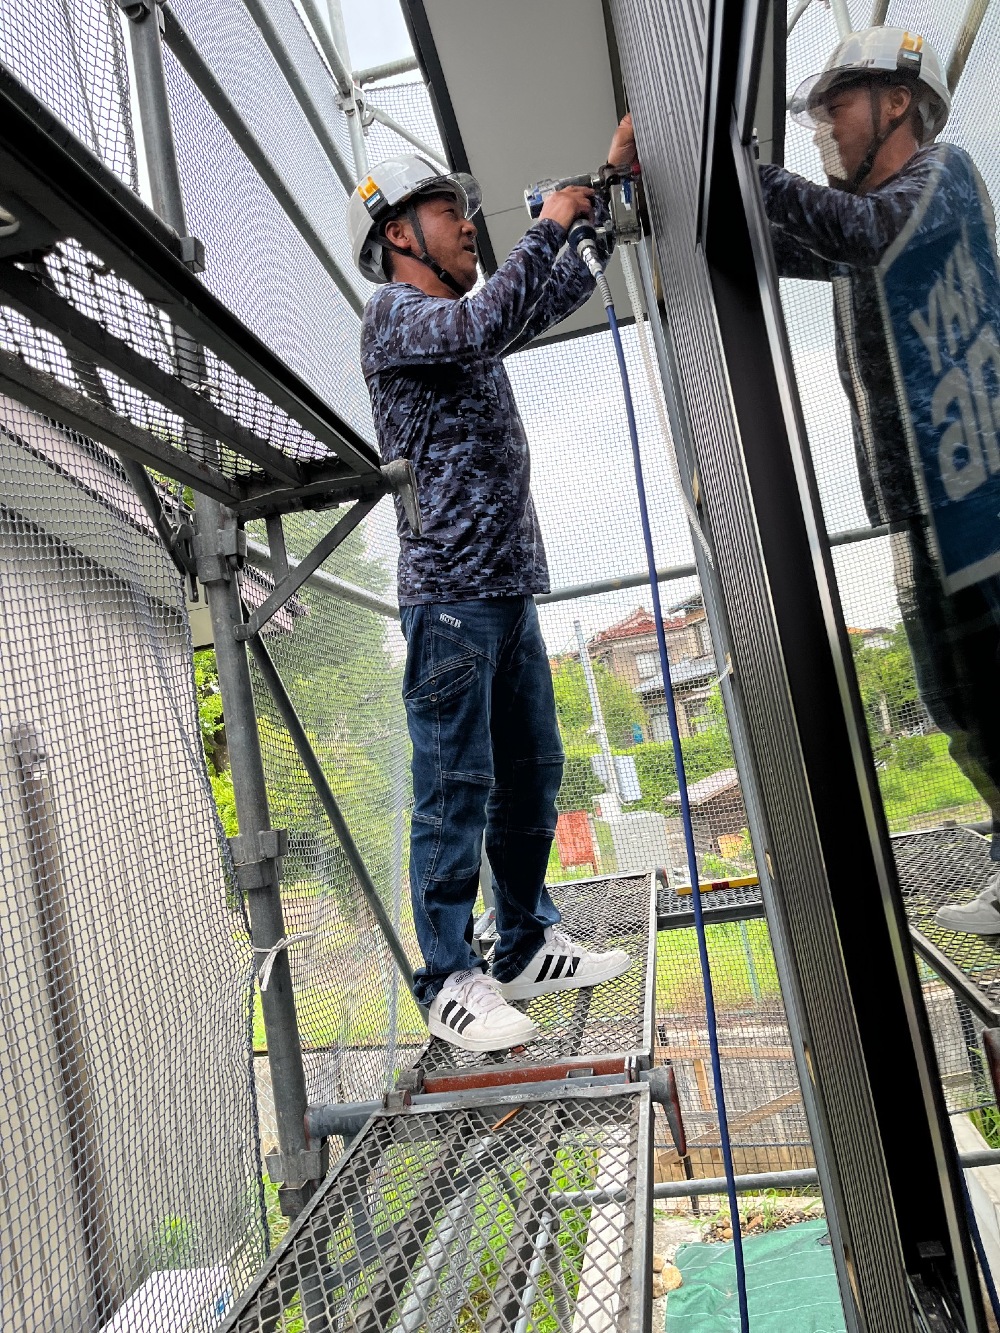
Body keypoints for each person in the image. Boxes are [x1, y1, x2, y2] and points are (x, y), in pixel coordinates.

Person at [348, 118, 636, 1050]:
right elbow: (487, 314)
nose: (467, 222)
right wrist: (548, 223)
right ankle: (448, 976)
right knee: (455, 784)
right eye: (445, 208)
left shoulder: (459, 324)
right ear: (398, 233)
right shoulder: (395, 316)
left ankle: (522, 943)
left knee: (530, 775)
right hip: (449, 597)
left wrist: (591, 201)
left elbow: (530, 301)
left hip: (505, 589)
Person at [753, 27, 1000, 933]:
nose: (819, 128)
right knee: (963, 706)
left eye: (834, 106)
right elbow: (800, 246)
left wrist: (739, 166)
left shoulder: (944, 176)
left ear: (898, 103)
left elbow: (854, 233)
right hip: (923, 513)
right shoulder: (869, 219)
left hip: (986, 500)